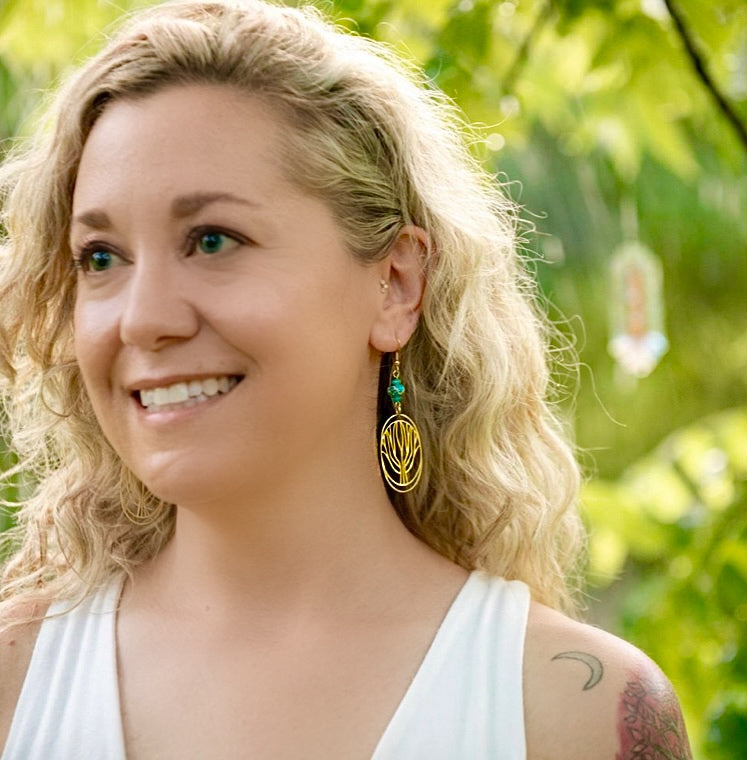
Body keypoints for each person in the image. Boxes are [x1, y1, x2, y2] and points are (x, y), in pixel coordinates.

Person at [0, 1, 692, 757]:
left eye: (212, 240)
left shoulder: (571, 711)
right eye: (101, 257)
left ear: (395, 284)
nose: (141, 320)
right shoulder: (14, 684)